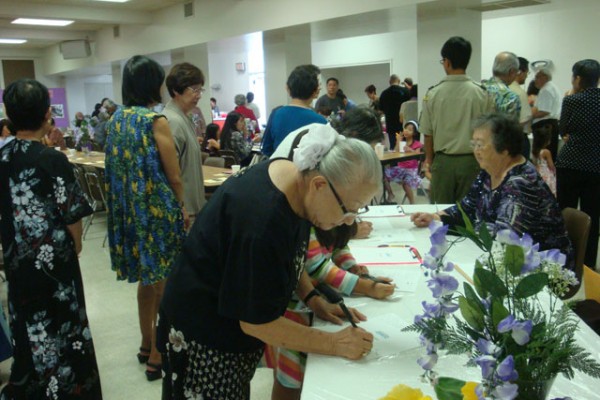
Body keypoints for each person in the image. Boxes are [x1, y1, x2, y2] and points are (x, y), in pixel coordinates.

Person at [158, 124, 381, 400]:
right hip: (204, 337)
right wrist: (334, 343)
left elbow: (289, 254)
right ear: (320, 185)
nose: (348, 221)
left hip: (228, 323)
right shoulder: (262, 222)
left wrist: (310, 296)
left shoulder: (296, 183)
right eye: (350, 210)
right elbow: (255, 322)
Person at [0, 78, 102, 398]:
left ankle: (34, 387)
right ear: (47, 114)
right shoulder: (52, 159)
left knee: (29, 324)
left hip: (16, 260)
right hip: (55, 262)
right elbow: (72, 214)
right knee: (65, 325)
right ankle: (70, 387)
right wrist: (76, 244)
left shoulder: (2, 158)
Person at [104, 55, 187, 382]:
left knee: (145, 281)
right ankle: (158, 355)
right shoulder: (156, 121)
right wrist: (180, 207)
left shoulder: (115, 119)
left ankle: (145, 342)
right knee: (165, 284)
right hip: (156, 214)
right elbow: (175, 176)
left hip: (129, 214)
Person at [411, 113, 573, 269]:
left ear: (505, 148)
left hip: (537, 270)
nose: (476, 151)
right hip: (495, 256)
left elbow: (505, 242)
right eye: (473, 144)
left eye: (480, 145)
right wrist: (435, 217)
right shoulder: (490, 171)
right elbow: (467, 208)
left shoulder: (520, 184)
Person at [263, 223, 394, 400]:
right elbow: (318, 267)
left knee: (304, 372)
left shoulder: (335, 218)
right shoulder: (306, 224)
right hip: (293, 308)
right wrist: (366, 286)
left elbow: (340, 245)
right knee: (288, 376)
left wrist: (351, 266)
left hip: (315, 301)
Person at [272, 106, 383, 240]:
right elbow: (311, 208)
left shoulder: (330, 140)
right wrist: (349, 231)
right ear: (353, 136)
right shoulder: (316, 145)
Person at [419, 36, 495, 204]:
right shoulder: (482, 94)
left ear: (446, 62)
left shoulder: (432, 94)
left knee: (441, 214)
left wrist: (429, 161)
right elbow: (490, 133)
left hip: (443, 162)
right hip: (473, 161)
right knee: (469, 215)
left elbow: (428, 134)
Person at [556, 59, 600, 268]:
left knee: (565, 213)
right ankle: (588, 264)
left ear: (578, 79)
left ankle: (564, 261)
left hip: (570, 163)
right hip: (596, 166)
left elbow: (562, 128)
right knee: (593, 217)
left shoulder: (572, 100)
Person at [162, 62, 207, 225]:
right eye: (194, 89)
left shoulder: (183, 117)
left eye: (200, 89)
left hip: (193, 208)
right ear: (176, 90)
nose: (199, 95)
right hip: (186, 212)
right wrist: (181, 206)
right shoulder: (172, 121)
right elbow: (170, 173)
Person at [261, 64, 327, 157]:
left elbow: (266, 149)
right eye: (319, 84)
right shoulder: (320, 121)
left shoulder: (276, 114)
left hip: (278, 168)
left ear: (287, 88)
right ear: (315, 92)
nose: (321, 87)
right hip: (307, 171)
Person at [483, 51, 528, 159]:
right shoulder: (510, 97)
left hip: (476, 149)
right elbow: (511, 133)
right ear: (512, 72)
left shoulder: (479, 88)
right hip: (497, 153)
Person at [385, 120, 423, 204]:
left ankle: (412, 203)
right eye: (405, 128)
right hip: (401, 168)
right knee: (383, 174)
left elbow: (420, 155)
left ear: (414, 133)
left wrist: (411, 150)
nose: (406, 131)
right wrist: (398, 141)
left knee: (406, 183)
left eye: (410, 129)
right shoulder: (402, 143)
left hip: (411, 170)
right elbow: (395, 152)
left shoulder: (417, 144)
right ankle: (390, 194)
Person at [531, 64, 562, 161]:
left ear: (545, 77)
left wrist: (530, 116)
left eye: (537, 77)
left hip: (545, 126)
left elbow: (544, 111)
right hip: (550, 124)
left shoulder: (546, 89)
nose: (535, 80)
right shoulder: (552, 87)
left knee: (543, 158)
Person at [379, 74, 411, 150]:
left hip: (391, 126)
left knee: (393, 147)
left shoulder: (384, 93)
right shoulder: (406, 92)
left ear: (390, 82)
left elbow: (381, 109)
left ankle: (394, 161)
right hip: (403, 125)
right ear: (399, 81)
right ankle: (404, 162)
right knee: (404, 147)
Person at [509, 57, 533, 141]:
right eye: (527, 72)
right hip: (518, 136)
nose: (526, 76)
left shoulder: (502, 89)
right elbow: (524, 118)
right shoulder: (519, 92)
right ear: (519, 72)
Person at [532, 126, 556, 196]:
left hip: (537, 173)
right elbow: (551, 165)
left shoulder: (534, 151)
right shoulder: (546, 152)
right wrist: (555, 172)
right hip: (546, 174)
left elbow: (534, 163)